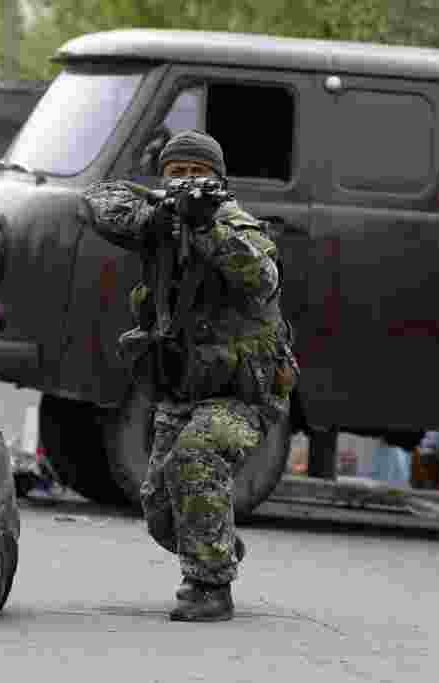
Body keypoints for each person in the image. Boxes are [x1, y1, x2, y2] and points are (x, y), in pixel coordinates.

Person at [83, 130, 298, 622]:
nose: (185, 182)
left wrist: (208, 230)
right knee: (160, 511)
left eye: (196, 174)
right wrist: (162, 211)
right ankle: (215, 545)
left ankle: (209, 587)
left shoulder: (235, 224)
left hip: (242, 391)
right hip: (181, 388)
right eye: (175, 173)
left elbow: (262, 277)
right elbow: (98, 203)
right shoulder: (159, 221)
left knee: (195, 459)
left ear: (218, 181)